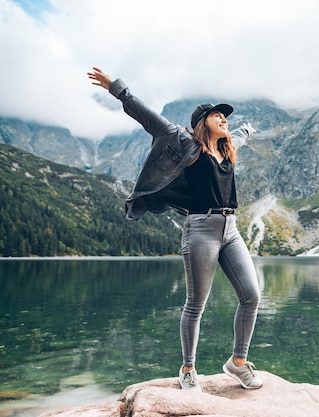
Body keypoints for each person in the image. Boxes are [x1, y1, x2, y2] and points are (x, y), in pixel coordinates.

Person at [87, 67, 263, 392]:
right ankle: (188, 369)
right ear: (202, 121)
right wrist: (117, 88)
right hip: (200, 230)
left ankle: (237, 363)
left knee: (251, 295)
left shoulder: (227, 149)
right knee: (196, 304)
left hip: (231, 229)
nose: (225, 120)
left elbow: (240, 135)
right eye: (218, 116)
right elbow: (145, 115)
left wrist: (249, 130)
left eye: (227, 117)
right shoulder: (182, 142)